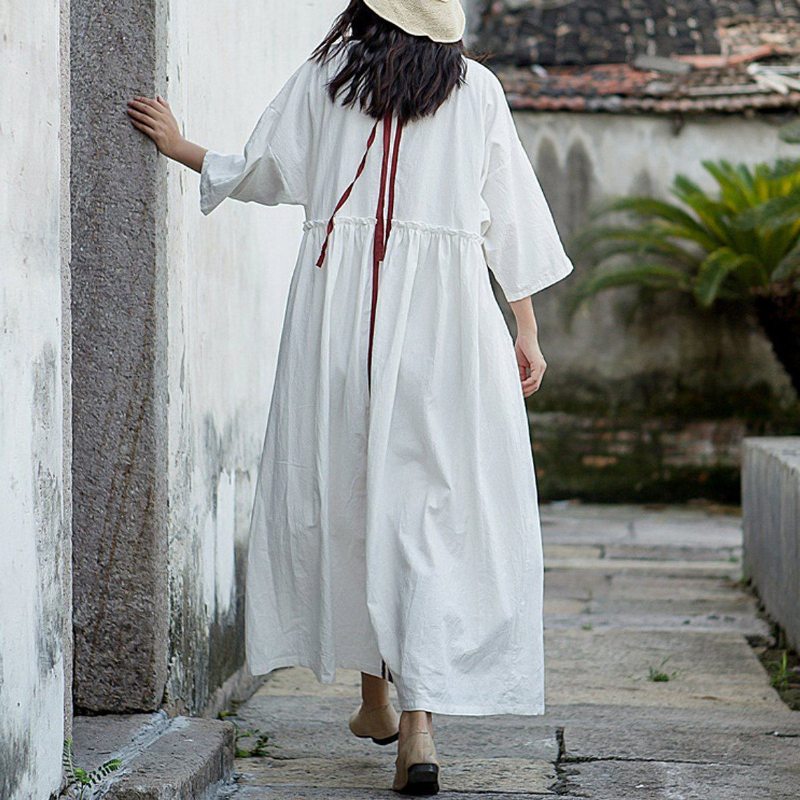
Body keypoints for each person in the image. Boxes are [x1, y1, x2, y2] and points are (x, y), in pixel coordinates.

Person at [127, 0, 573, 794]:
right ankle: (415, 725)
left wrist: (182, 147)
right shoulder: (477, 90)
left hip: (339, 318)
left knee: (352, 492)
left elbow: (269, 173)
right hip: (448, 327)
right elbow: (510, 219)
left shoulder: (330, 79)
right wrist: (526, 328)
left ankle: (378, 698)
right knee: (429, 509)